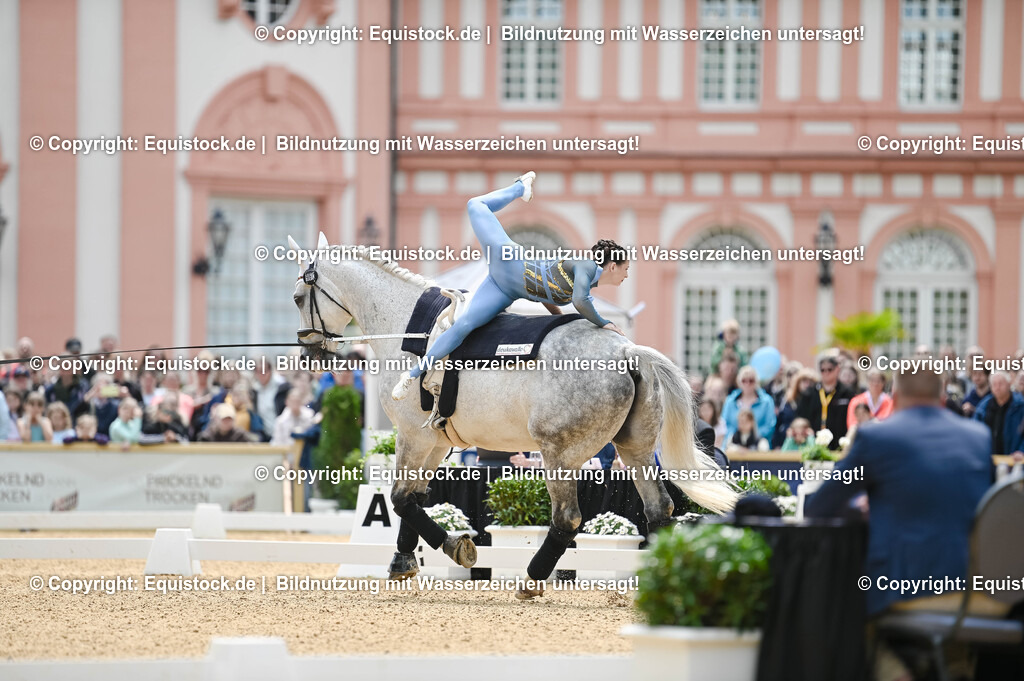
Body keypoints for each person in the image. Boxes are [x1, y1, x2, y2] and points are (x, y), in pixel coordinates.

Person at [806, 360, 1000, 681]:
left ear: (892, 398)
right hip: (987, 594)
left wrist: (865, 509)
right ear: (942, 397)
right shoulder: (978, 437)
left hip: (910, 591)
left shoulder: (877, 438)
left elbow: (818, 507)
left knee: (846, 606)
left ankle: (896, 672)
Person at [392, 172, 630, 399]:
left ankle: (412, 374)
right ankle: (519, 187)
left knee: (463, 326)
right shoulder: (587, 267)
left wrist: (556, 317)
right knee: (475, 205)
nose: (627, 275)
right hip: (509, 260)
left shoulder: (588, 283)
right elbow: (580, 301)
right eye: (626, 269)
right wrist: (604, 323)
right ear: (612, 266)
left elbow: (547, 290)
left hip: (503, 290)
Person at [795, 353, 854, 449]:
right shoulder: (810, 393)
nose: (826, 373)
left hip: (839, 445)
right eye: (823, 370)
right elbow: (801, 418)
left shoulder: (847, 393)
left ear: (837, 369)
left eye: (829, 369)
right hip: (813, 446)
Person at [972, 371, 1024, 456]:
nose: (997, 387)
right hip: (989, 458)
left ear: (1009, 384)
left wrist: (1022, 451)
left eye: (1001, 383)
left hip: (1015, 460)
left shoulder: (1020, 405)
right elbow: (974, 430)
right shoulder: (983, 406)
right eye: (994, 384)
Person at [721, 365, 776, 444]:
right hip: (733, 444)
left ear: (757, 382)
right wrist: (737, 437)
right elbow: (724, 424)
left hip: (758, 446)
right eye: (744, 380)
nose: (747, 383)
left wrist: (752, 437)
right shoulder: (730, 401)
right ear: (739, 382)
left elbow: (769, 426)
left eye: (751, 380)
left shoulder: (767, 401)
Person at [773, 367, 817, 448]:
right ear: (798, 382)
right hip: (787, 443)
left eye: (810, 382)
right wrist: (776, 444)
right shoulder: (788, 400)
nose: (807, 385)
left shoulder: (816, 401)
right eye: (804, 381)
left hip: (808, 444)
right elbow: (779, 423)